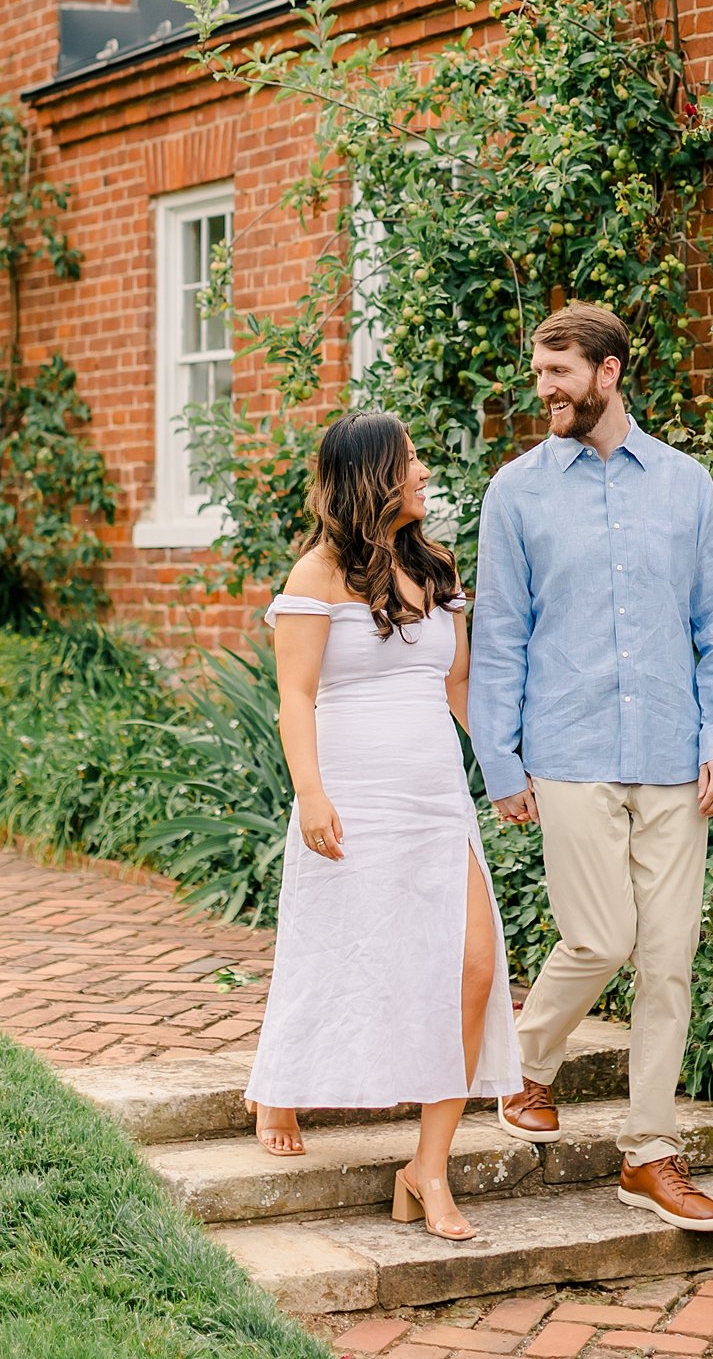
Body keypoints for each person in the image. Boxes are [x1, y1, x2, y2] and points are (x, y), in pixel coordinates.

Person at [469, 301, 713, 1235]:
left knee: (669, 963)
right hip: (570, 749)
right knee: (598, 939)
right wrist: (500, 760)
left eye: (559, 373)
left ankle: (650, 1153)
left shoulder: (685, 485)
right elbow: (501, 637)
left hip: (676, 754)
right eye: (539, 372)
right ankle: (527, 1061)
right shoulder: (516, 493)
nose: (543, 389)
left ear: (609, 373)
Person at [244, 411, 521, 1242]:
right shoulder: (317, 574)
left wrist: (509, 772)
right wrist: (311, 795)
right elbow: (295, 697)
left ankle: (426, 1169)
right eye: (412, 461)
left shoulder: (436, 567)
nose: (426, 471)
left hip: (437, 800)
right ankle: (279, 1081)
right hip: (351, 794)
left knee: (474, 967)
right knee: (333, 946)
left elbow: (458, 685)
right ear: (374, 477)